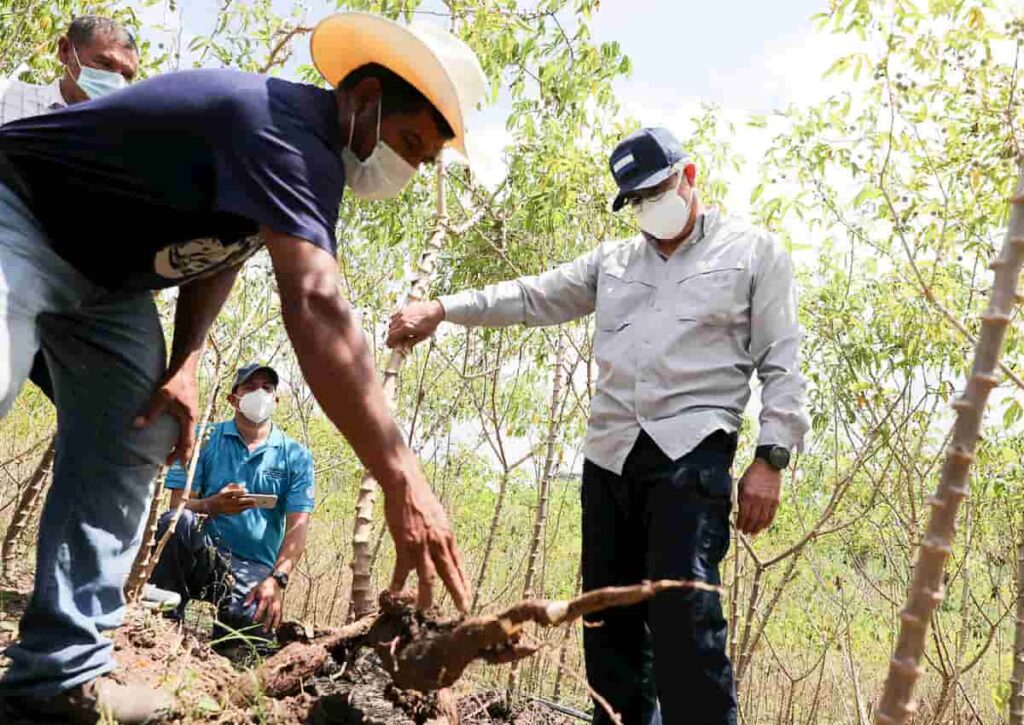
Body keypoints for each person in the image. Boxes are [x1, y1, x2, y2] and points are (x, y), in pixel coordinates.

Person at [0, 12, 486, 723]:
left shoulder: (304, 166)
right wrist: (403, 478)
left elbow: (221, 245)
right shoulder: (281, 127)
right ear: (364, 97)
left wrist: (188, 359)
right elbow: (316, 305)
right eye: (409, 141)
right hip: (19, 206)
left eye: (424, 158)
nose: (409, 167)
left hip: (108, 283)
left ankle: (57, 676)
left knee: (136, 428)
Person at [387, 127, 811, 725]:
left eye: (656, 192)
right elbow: (533, 296)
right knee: (607, 629)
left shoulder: (753, 253)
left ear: (690, 178)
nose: (647, 209)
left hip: (691, 456)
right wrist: (443, 310)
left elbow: (782, 361)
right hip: (610, 459)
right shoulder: (613, 263)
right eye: (635, 201)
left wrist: (771, 458)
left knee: (683, 620)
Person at [0, 14, 139, 401]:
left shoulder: (124, 143)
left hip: (74, 297)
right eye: (104, 64)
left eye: (126, 75)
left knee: (123, 409)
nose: (115, 80)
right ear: (66, 51)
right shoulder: (8, 100)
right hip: (7, 275)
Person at [148, 364, 314, 651]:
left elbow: (297, 529)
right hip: (202, 553)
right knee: (176, 520)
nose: (259, 394)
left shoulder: (295, 456)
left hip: (254, 568)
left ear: (276, 399)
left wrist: (277, 580)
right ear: (232, 398)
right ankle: (162, 625)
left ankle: (226, 648)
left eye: (267, 388)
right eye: (250, 388)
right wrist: (212, 505)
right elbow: (178, 505)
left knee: (251, 634)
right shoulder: (204, 438)